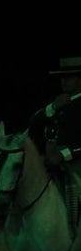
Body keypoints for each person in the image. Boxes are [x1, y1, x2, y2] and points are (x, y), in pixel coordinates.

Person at [29, 55, 81, 235]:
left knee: (75, 194)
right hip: (50, 163)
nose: (64, 81)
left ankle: (74, 237)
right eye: (62, 77)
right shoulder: (57, 102)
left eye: (69, 77)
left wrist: (63, 154)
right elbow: (34, 123)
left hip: (75, 164)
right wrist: (52, 108)